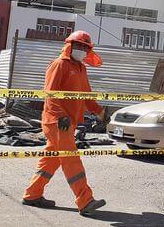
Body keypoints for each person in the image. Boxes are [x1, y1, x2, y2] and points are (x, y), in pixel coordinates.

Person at [22, 30, 107, 216]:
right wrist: (61, 116)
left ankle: (32, 194)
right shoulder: (59, 64)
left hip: (68, 123)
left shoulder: (81, 68)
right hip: (57, 122)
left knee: (51, 160)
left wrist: (100, 111)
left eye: (85, 47)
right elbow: (50, 93)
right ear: (69, 46)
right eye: (79, 46)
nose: (82, 50)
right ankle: (85, 200)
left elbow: (86, 96)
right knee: (71, 159)